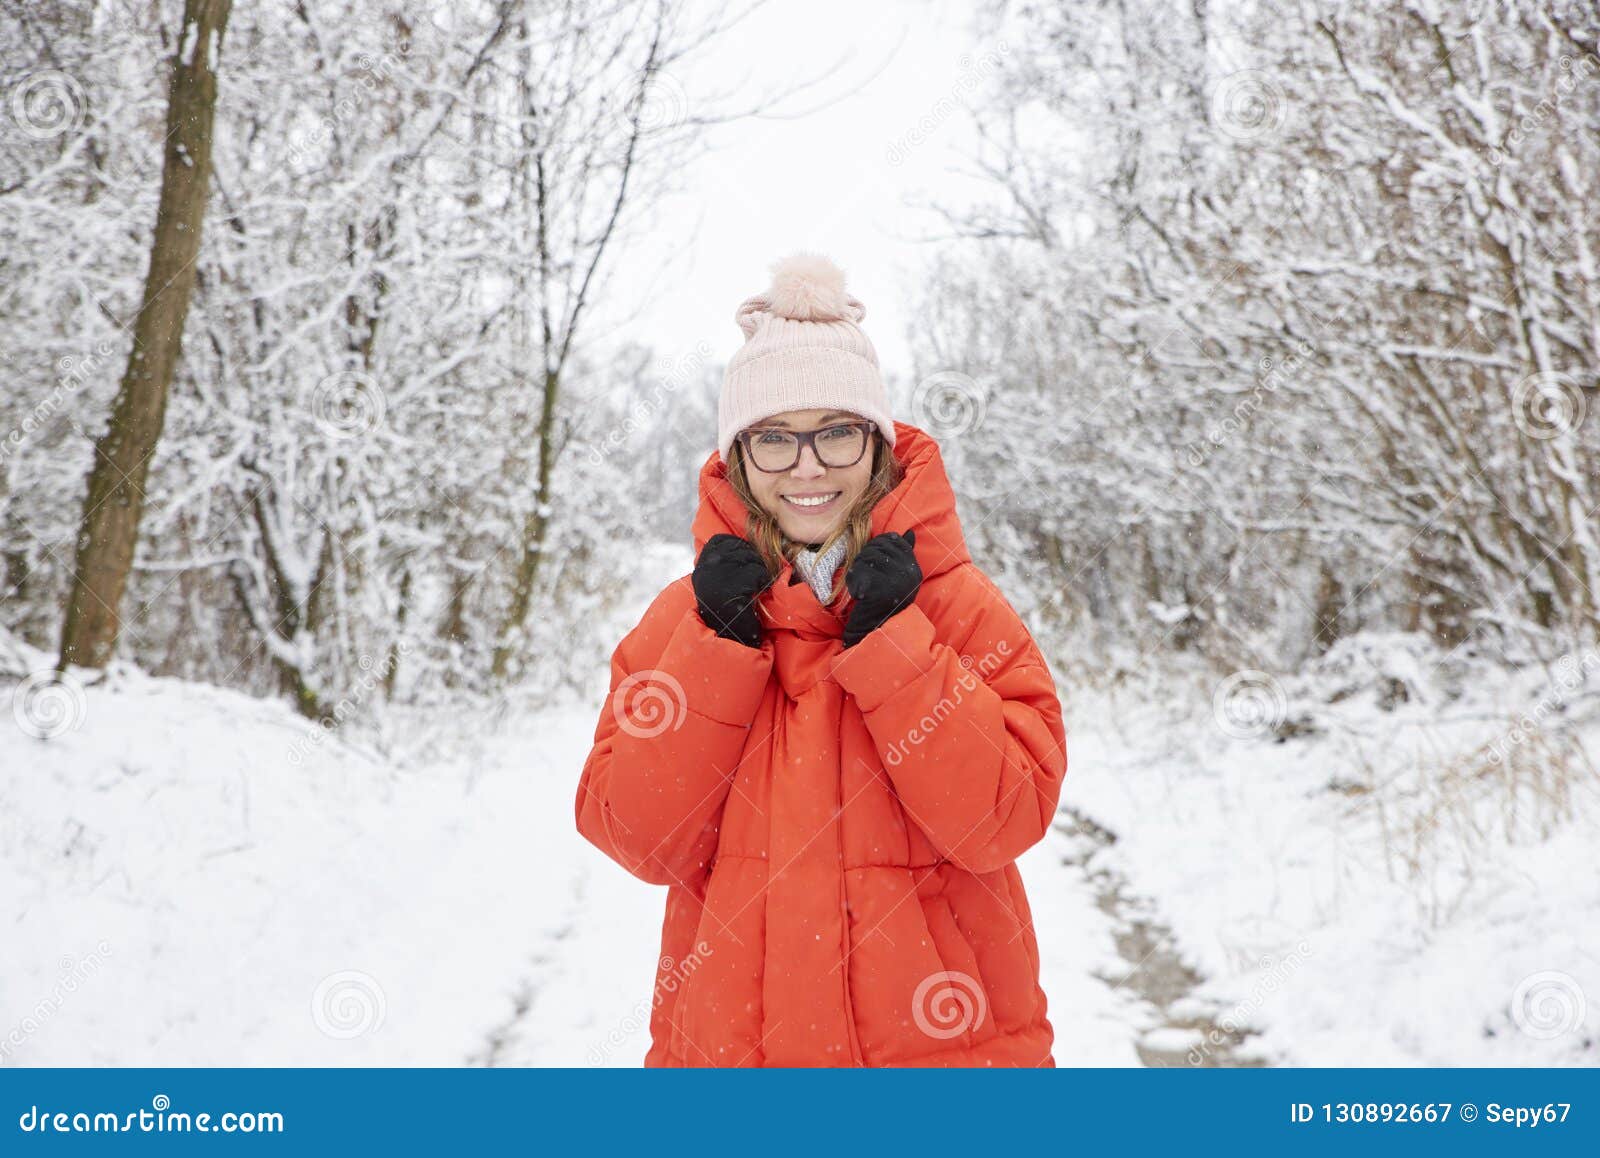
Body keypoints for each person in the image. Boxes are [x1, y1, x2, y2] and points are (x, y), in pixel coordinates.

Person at [575, 252, 1068, 1067]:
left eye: (836, 432)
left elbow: (1005, 818)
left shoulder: (955, 604)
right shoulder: (684, 618)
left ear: (876, 445)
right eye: (773, 440)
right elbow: (637, 836)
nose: (807, 467)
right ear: (738, 458)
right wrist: (717, 651)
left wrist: (895, 648)